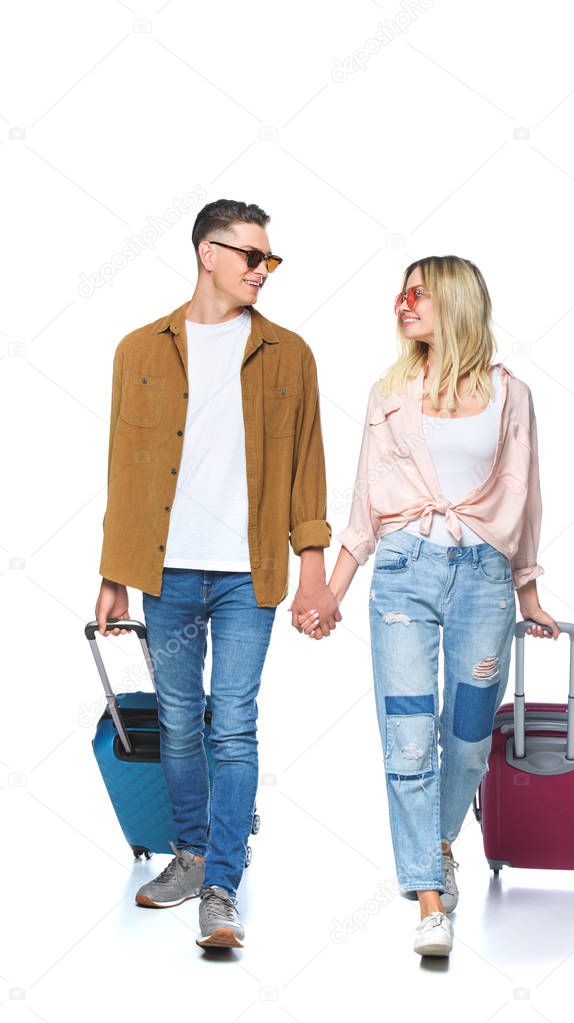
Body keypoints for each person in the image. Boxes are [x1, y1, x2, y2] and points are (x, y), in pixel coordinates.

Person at [296, 255, 559, 957]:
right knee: (409, 739)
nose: (400, 304)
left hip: (483, 576)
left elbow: (524, 497)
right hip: (404, 573)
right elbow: (363, 503)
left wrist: (528, 589)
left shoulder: (511, 394)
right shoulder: (388, 392)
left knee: (468, 740)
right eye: (399, 293)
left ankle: (436, 844)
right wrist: (331, 589)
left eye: (415, 294)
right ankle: (429, 898)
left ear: (452, 303)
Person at [95, 198, 340, 950]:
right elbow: (123, 473)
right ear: (208, 253)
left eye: (269, 259)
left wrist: (313, 570)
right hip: (164, 570)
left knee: (231, 723)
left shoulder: (288, 353)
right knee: (177, 722)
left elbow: (306, 469)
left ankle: (223, 884)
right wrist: (112, 572)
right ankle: (191, 854)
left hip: (249, 573)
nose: (263, 270)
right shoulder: (139, 349)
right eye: (252, 256)